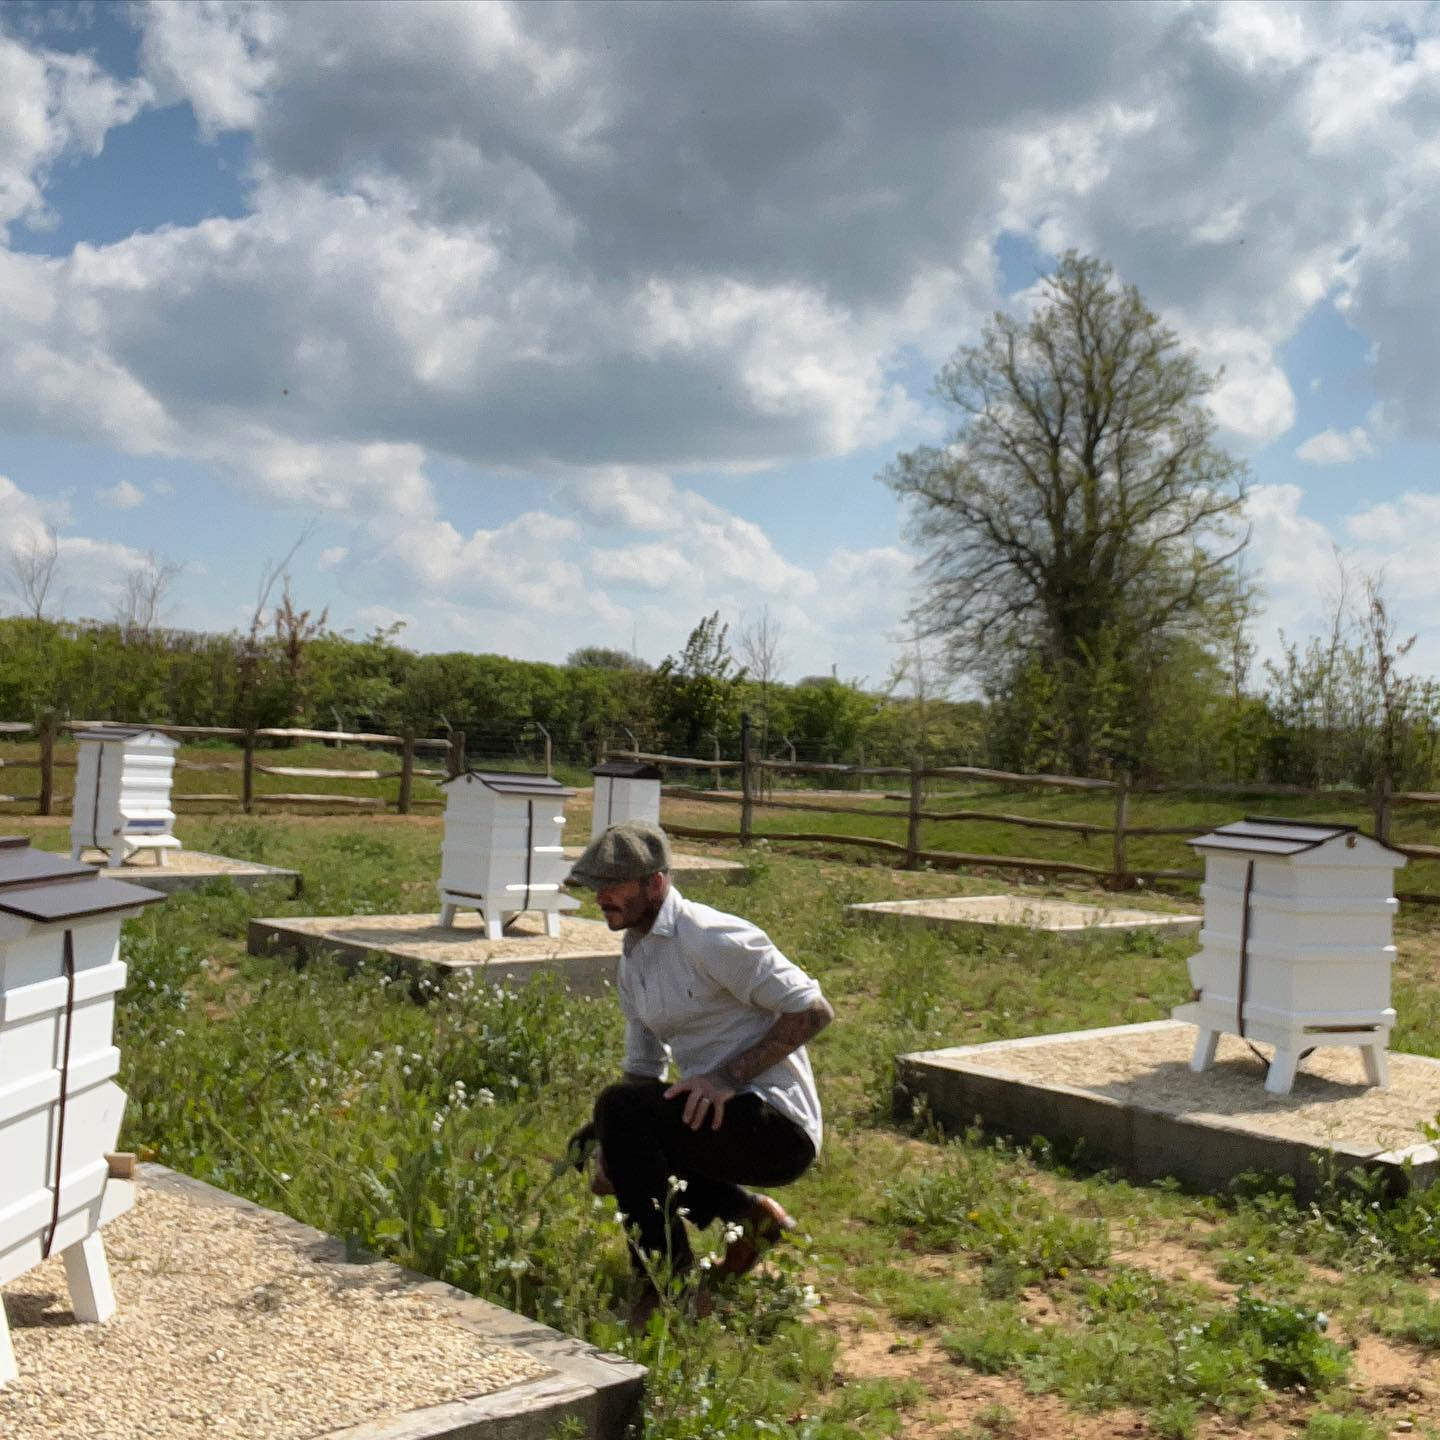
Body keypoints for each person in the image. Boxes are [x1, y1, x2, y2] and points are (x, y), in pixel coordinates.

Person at [566, 819, 833, 1325]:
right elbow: (643, 1071)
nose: (600, 897)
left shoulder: (710, 937)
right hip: (714, 1118)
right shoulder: (634, 958)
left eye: (613, 885)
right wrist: (609, 1148)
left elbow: (813, 1011)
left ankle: (664, 1283)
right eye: (595, 887)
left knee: (618, 1113)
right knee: (593, 1136)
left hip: (776, 1127)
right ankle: (748, 1217)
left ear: (655, 883)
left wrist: (726, 1078)